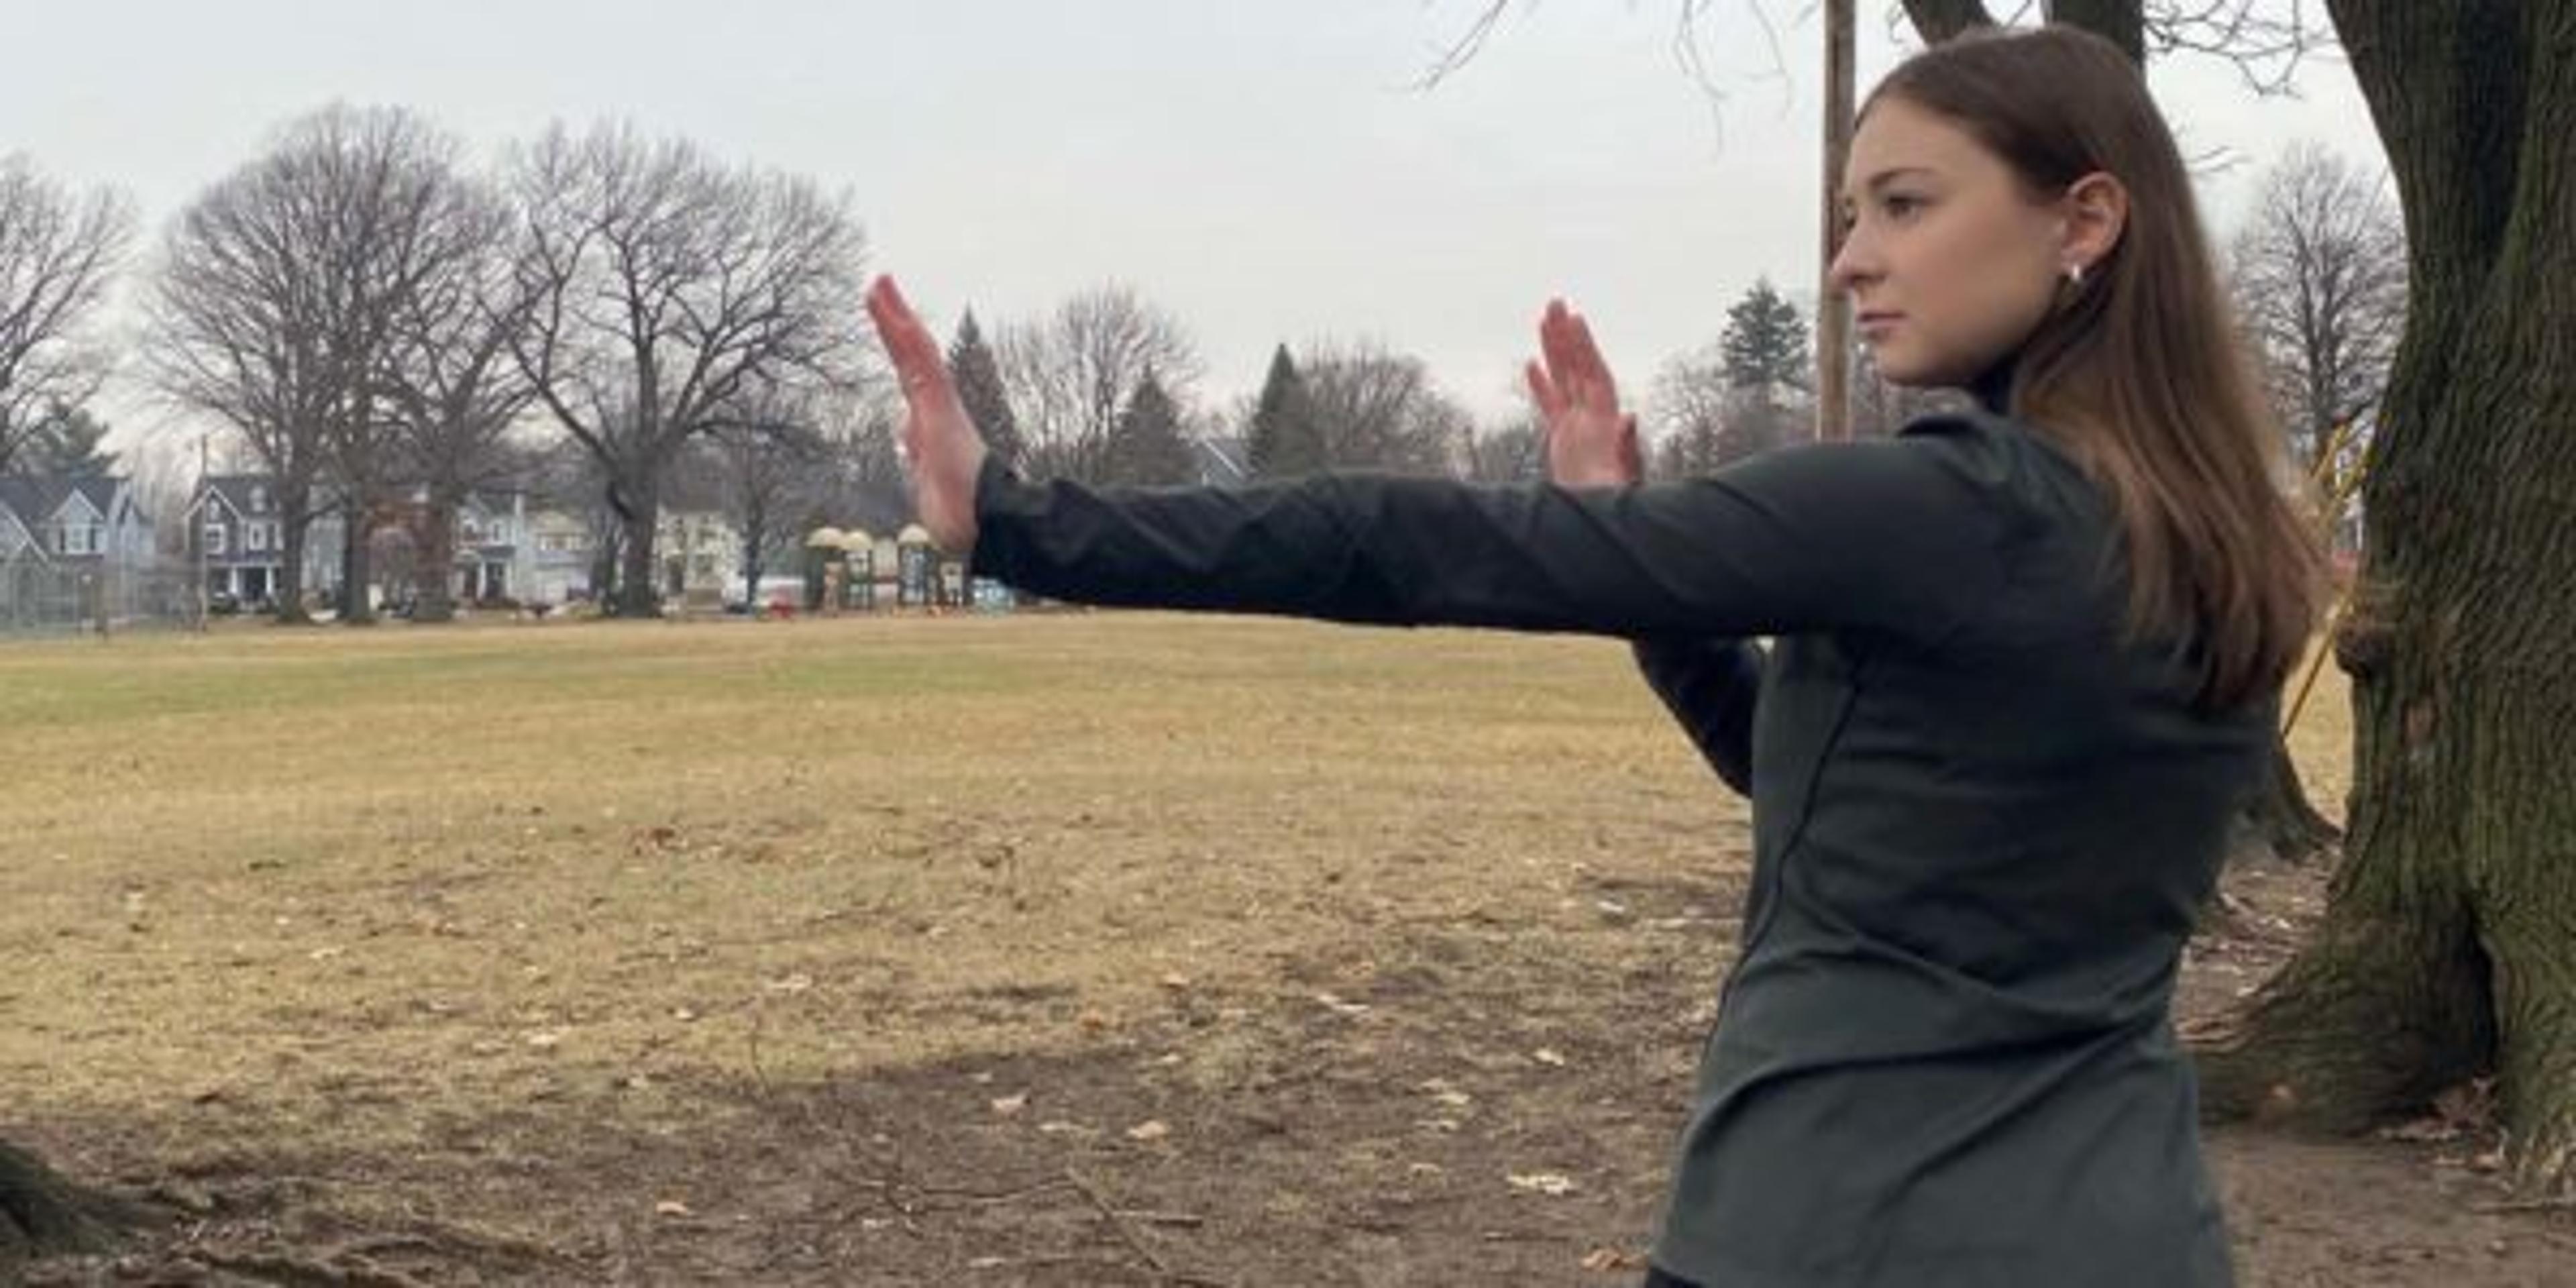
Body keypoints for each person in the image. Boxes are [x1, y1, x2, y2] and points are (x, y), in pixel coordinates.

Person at [865, 24, 2323, 1288]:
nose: (1848, 261)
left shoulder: (1937, 506)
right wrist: (1639, 558)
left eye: (1904, 204)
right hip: (2132, 1233)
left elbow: (1402, 542)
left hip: (1832, 1228)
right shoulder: (2224, 540)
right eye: (1850, 211)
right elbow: (1838, 795)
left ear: (2084, 220)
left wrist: (1017, 520)